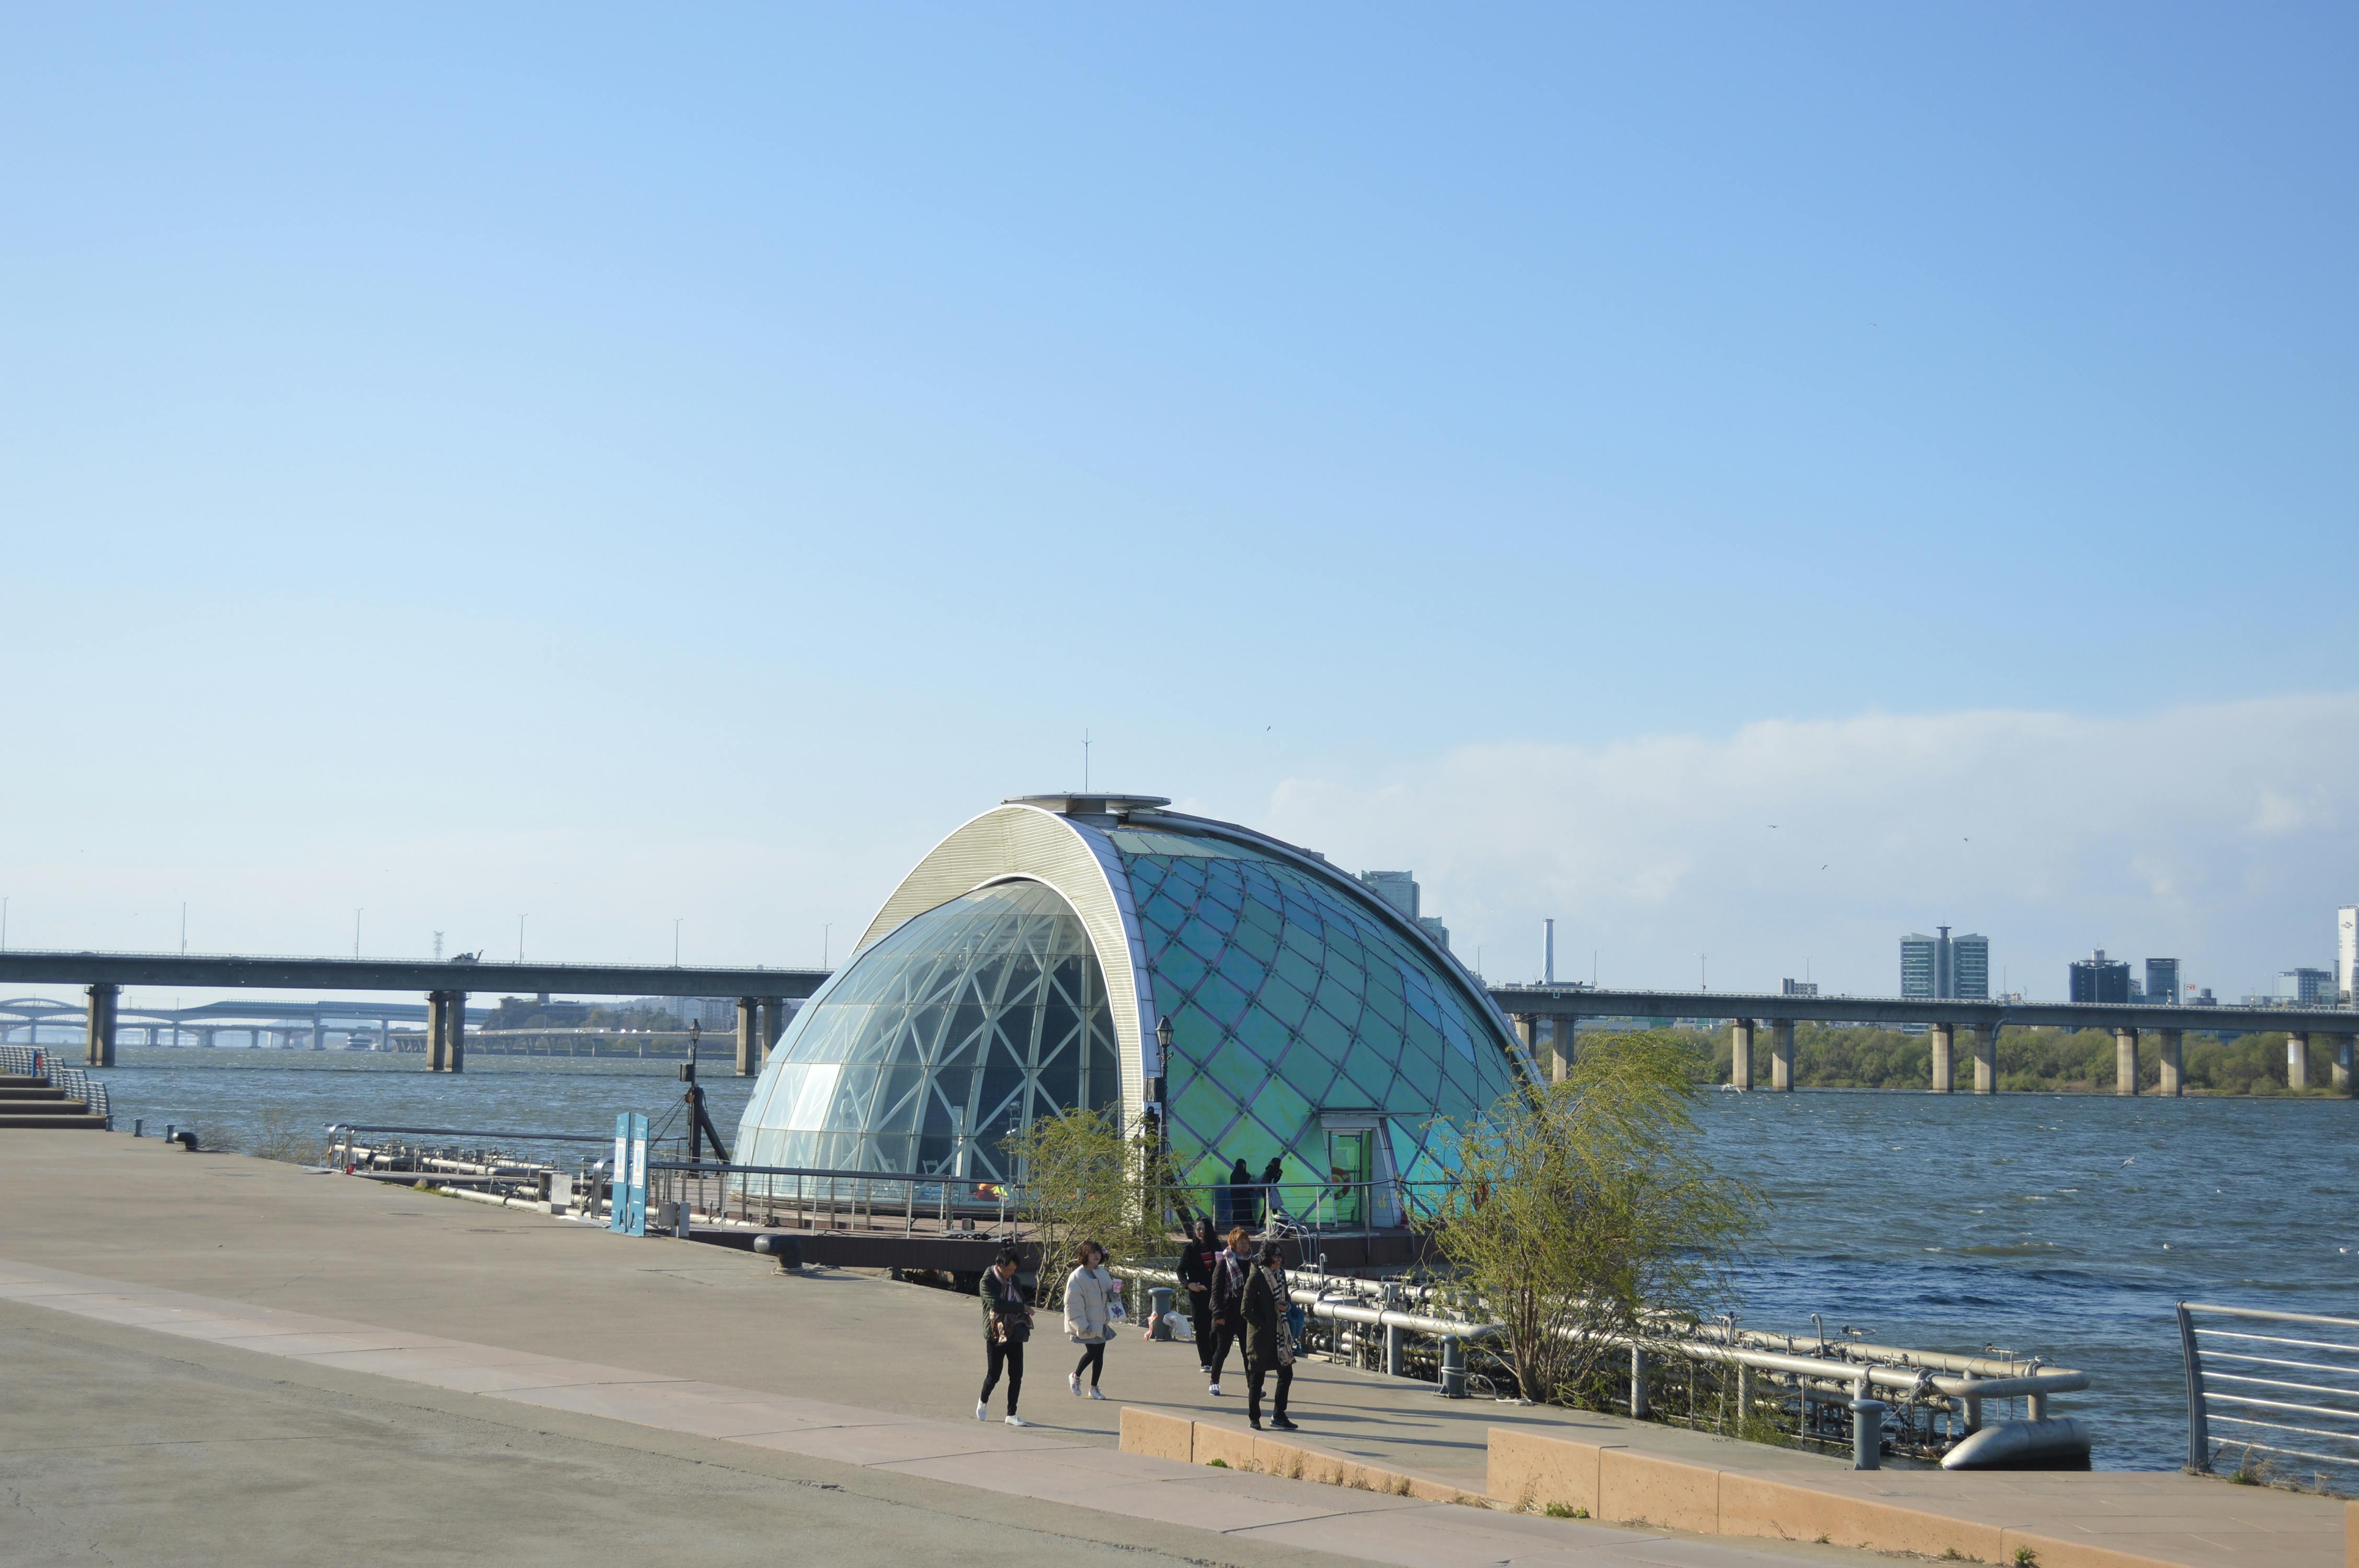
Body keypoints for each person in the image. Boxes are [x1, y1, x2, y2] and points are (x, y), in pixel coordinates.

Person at [1241, 1239, 1298, 1431]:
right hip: (1260, 1337)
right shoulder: (1256, 1276)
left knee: (1287, 1373)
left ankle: (1279, 1415)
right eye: (1276, 1255)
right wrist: (1263, 1325)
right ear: (1267, 1257)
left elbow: (1286, 1298)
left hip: (1279, 1335)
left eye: (1281, 1255)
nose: (1279, 1259)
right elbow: (1245, 1309)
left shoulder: (1280, 1275)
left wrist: (1285, 1306)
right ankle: (1254, 1418)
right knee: (1257, 1378)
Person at [976, 1247, 1032, 1427]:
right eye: (1009, 1270)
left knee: (1017, 1375)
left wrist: (1024, 1308)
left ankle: (1011, 1413)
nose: (1011, 1273)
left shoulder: (1014, 1280)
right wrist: (1022, 1308)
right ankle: (983, 1401)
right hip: (996, 1333)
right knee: (994, 1374)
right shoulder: (987, 1281)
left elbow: (1021, 1299)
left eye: (1014, 1270)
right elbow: (997, 1305)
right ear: (1000, 1265)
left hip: (1014, 1331)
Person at [1063, 1240, 1121, 1399]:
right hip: (1087, 1322)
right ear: (1085, 1254)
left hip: (1100, 1320)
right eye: (1093, 1253)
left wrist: (1115, 1293)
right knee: (1093, 1352)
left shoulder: (1102, 1273)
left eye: (1098, 1253)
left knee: (1099, 1354)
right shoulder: (1077, 1277)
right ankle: (1075, 1376)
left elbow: (1110, 1295)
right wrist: (1081, 1325)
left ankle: (1094, 1388)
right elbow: (1072, 1304)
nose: (1096, 1256)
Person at [1205, 1225, 1254, 1395]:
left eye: (1246, 1242)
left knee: (1248, 1351)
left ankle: (1253, 1385)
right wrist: (1218, 1314)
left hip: (1245, 1314)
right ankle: (1214, 1381)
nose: (1244, 1246)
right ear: (1233, 1242)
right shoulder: (1224, 1263)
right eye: (1241, 1242)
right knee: (1222, 1349)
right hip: (1227, 1314)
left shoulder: (1250, 1261)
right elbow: (1216, 1290)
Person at [1176, 1217, 1220, 1373]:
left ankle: (1215, 1357)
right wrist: (1189, 1285)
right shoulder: (1190, 1250)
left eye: (1203, 1228)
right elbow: (1180, 1270)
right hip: (1197, 1295)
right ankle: (1205, 1361)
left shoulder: (1216, 1247)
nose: (1200, 1232)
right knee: (1201, 1328)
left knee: (1215, 1326)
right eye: (1198, 1229)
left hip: (1214, 1293)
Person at [1229, 1156, 1256, 1227]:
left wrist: (1252, 1189)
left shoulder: (1241, 1174)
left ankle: (1245, 1225)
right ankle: (1237, 1225)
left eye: (1244, 1165)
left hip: (1244, 1197)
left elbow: (1244, 1185)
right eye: (1243, 1165)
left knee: (1245, 1211)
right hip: (1237, 1197)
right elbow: (1240, 1182)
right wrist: (1248, 1176)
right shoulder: (1235, 1174)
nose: (1244, 1166)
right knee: (1238, 1211)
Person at [1259, 1156, 1286, 1222]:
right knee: (1267, 1210)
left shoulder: (1270, 1169)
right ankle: (1261, 1227)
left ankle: (1275, 1224)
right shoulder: (1271, 1171)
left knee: (1272, 1209)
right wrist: (1279, 1175)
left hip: (1267, 1191)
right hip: (1268, 1192)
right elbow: (1274, 1181)